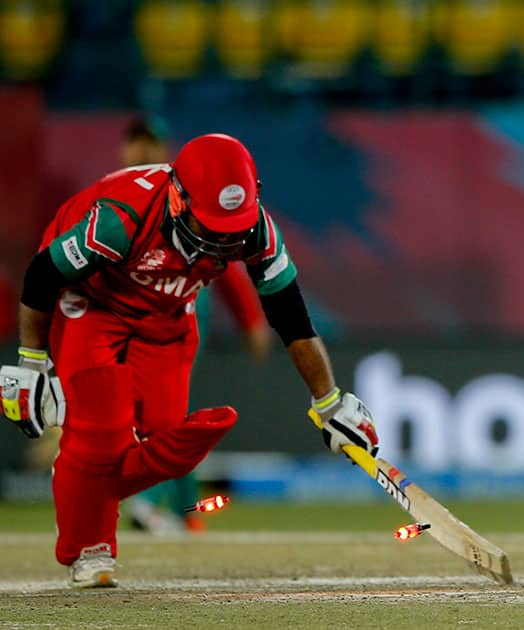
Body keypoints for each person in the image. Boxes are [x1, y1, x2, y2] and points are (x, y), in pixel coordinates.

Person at [1, 133, 379, 588]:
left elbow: (293, 320)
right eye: (212, 230)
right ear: (179, 202)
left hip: (168, 313)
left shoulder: (255, 228)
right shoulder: (120, 221)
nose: (224, 246)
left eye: (233, 229)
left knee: (166, 444)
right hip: (94, 301)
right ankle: (89, 544)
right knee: (101, 432)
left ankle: (89, 482)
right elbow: (42, 275)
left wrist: (329, 403)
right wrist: (31, 365)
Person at [117, 116, 274, 535]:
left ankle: (150, 503)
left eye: (150, 143)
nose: (142, 152)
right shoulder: (116, 194)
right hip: (125, 322)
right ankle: (186, 514)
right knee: (161, 417)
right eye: (136, 143)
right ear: (124, 149)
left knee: (160, 415)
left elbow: (228, 261)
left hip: (178, 319)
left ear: (164, 148)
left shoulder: (183, 195)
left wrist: (251, 321)